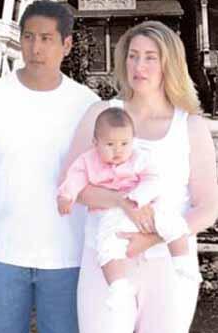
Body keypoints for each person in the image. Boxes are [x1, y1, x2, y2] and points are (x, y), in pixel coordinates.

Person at [0, 0, 99, 333]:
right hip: (3, 255)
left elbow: (104, 180)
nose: (35, 48)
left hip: (68, 257)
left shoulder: (87, 105)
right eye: (28, 37)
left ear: (67, 44)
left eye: (46, 38)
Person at [61, 20, 218, 333]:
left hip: (169, 266)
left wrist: (151, 239)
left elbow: (208, 207)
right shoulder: (101, 114)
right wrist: (121, 200)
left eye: (150, 57)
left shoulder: (190, 126)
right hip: (105, 261)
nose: (139, 65)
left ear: (168, 64)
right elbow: (71, 183)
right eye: (133, 56)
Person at [58, 106, 198, 313]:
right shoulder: (87, 160)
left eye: (125, 143)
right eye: (110, 144)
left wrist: (138, 197)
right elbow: (75, 178)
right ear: (95, 143)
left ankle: (182, 262)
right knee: (107, 247)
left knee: (173, 224)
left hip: (144, 208)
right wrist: (66, 196)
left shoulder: (139, 157)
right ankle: (118, 286)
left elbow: (154, 178)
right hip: (110, 214)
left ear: (133, 140)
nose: (118, 150)